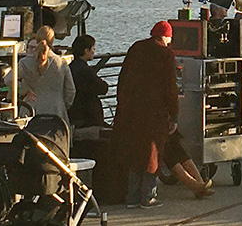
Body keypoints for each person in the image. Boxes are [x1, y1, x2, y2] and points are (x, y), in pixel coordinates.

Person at [114, 21, 181, 209]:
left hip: (131, 111)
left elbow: (122, 77)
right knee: (153, 154)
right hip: (154, 114)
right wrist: (174, 115)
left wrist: (122, 104)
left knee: (135, 153)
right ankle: (148, 196)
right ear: (166, 36)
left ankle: (132, 197)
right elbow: (170, 87)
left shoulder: (136, 48)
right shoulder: (166, 55)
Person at [20, 27, 76, 120]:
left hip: (31, 109)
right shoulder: (61, 63)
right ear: (52, 41)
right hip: (56, 110)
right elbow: (71, 90)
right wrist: (64, 104)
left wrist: (25, 90)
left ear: (37, 39)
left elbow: (9, 80)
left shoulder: (24, 62)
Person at [67, 35, 110, 128]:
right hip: (88, 117)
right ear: (86, 50)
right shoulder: (85, 71)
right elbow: (103, 88)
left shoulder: (70, 67)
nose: (94, 51)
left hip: (74, 114)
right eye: (93, 48)